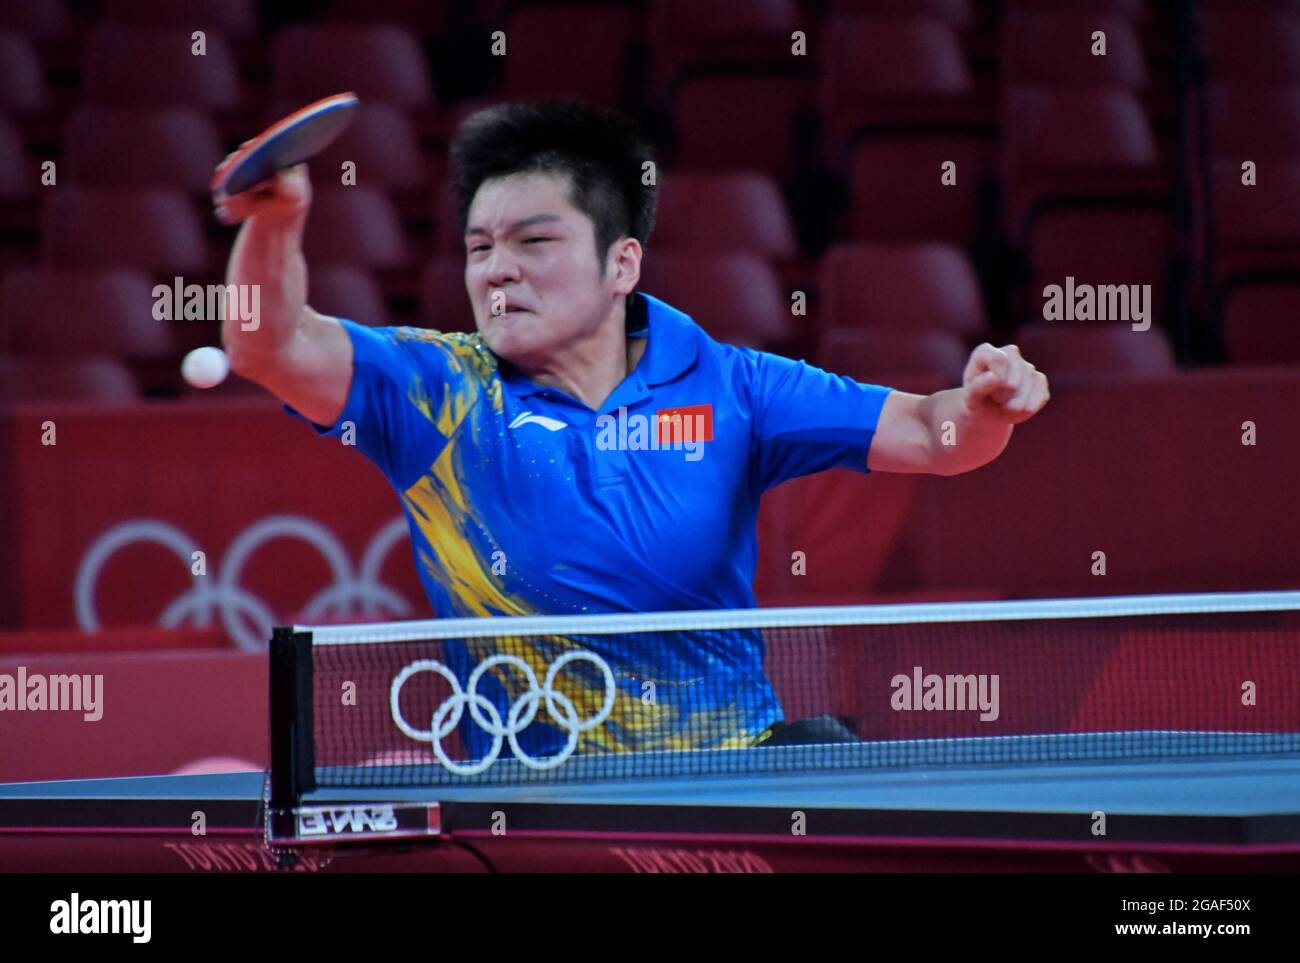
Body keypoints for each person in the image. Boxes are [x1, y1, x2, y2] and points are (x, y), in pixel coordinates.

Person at [217, 99, 1049, 759]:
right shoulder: (438, 391)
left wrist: (981, 408)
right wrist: (276, 224)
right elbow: (267, 343)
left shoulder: (732, 385)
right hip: (537, 809)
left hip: (730, 786)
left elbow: (928, 433)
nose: (496, 269)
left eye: (533, 241)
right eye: (478, 248)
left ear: (622, 264)